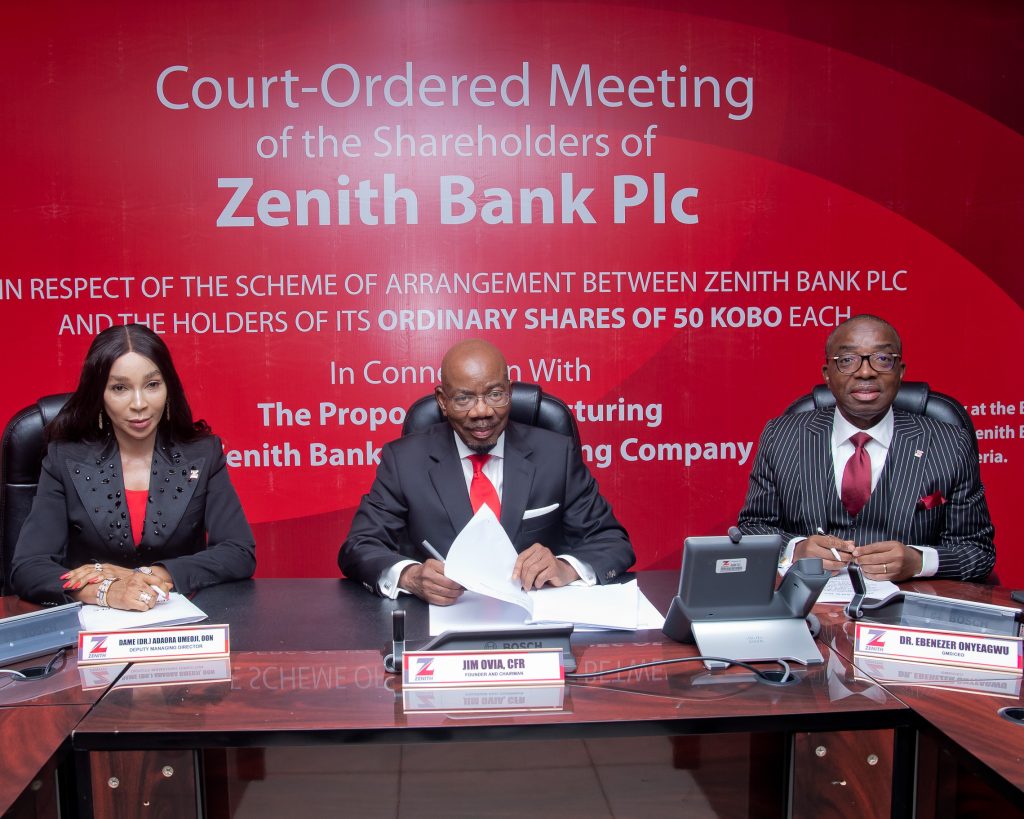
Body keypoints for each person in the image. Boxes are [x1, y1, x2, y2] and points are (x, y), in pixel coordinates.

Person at [339, 339, 634, 604]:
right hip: (440, 625)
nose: (482, 411)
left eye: (495, 394)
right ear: (442, 401)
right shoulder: (404, 461)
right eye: (464, 398)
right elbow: (359, 547)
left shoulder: (556, 455)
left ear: (510, 391)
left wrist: (566, 567)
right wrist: (410, 576)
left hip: (535, 621)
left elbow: (612, 542)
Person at [11, 324, 256, 609]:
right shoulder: (65, 458)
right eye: (119, 388)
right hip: (91, 631)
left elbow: (238, 552)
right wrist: (107, 590)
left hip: (178, 624)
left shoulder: (202, 454)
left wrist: (147, 575)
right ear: (99, 394)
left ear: (168, 388)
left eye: (152, 385)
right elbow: (28, 567)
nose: (139, 403)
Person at [737, 314, 995, 582]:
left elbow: (977, 551)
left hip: (908, 605)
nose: (865, 371)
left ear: (901, 371)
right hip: (810, 606)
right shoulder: (782, 436)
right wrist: (796, 549)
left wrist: (919, 561)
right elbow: (753, 529)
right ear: (827, 374)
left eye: (882, 359)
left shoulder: (950, 444)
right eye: (847, 361)